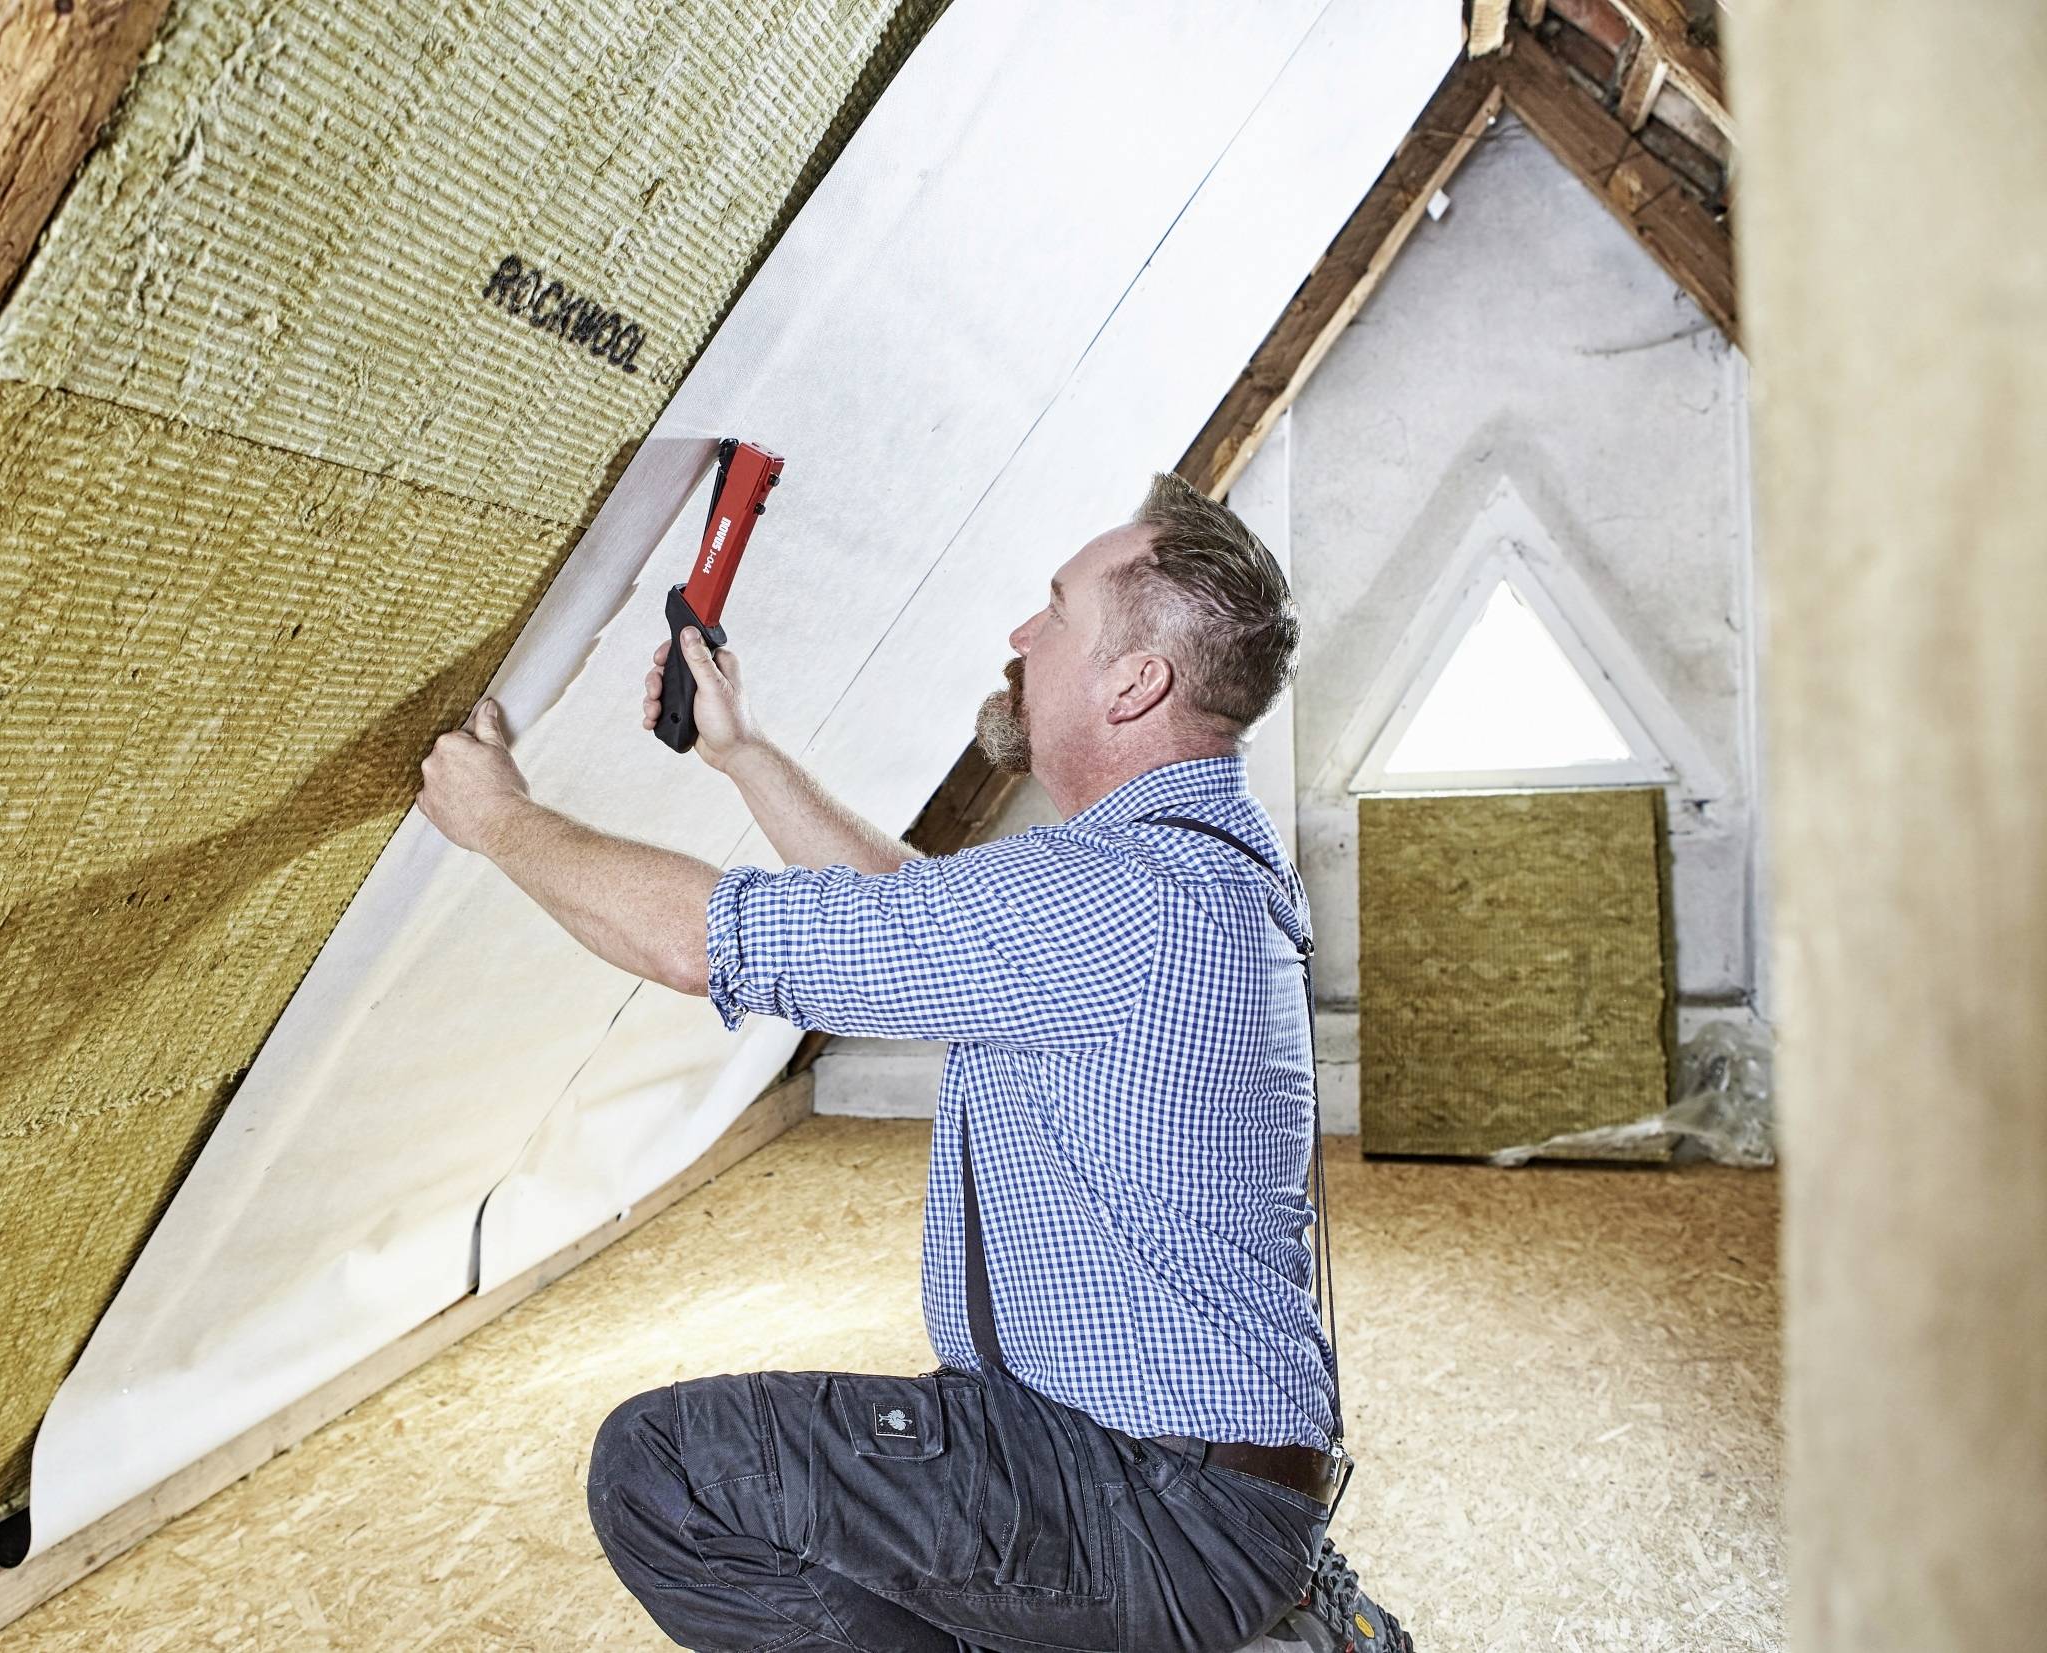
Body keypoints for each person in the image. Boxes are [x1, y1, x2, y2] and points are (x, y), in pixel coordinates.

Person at [416, 472, 1409, 1652]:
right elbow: (919, 920)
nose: (1020, 635)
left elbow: (700, 944)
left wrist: (496, 819)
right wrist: (742, 753)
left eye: (1055, 613)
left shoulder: (1118, 894)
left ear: (1134, 682)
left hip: (1155, 1505)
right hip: (1189, 1483)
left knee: (672, 1470)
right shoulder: (1190, 867)